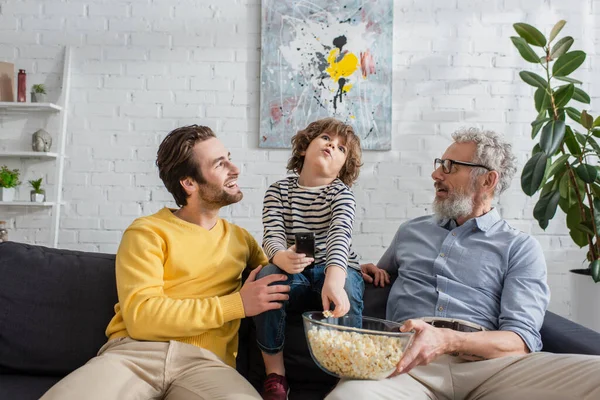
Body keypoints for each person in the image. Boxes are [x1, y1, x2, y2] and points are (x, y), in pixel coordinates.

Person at [326, 128, 600, 400]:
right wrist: (358, 270)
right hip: (408, 363)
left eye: (450, 167)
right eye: (439, 165)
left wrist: (448, 340)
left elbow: (520, 341)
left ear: (487, 180)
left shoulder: (519, 248)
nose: (436, 175)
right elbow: (378, 278)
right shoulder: (410, 232)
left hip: (492, 368)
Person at [42, 125, 291, 400]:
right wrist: (237, 305)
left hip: (207, 365)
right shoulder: (147, 232)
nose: (235, 169)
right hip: (135, 355)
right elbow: (142, 318)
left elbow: (284, 277)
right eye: (220, 164)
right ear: (189, 183)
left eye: (228, 157)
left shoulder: (242, 240)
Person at [253, 118, 387, 400]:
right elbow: (272, 235)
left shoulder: (342, 195)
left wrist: (335, 281)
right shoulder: (277, 192)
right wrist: (280, 256)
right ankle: (276, 376)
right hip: (296, 272)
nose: (332, 146)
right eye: (326, 138)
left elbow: (340, 238)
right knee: (268, 278)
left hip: (335, 269)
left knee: (349, 286)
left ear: (344, 166)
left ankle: (346, 376)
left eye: (341, 148)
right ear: (304, 148)